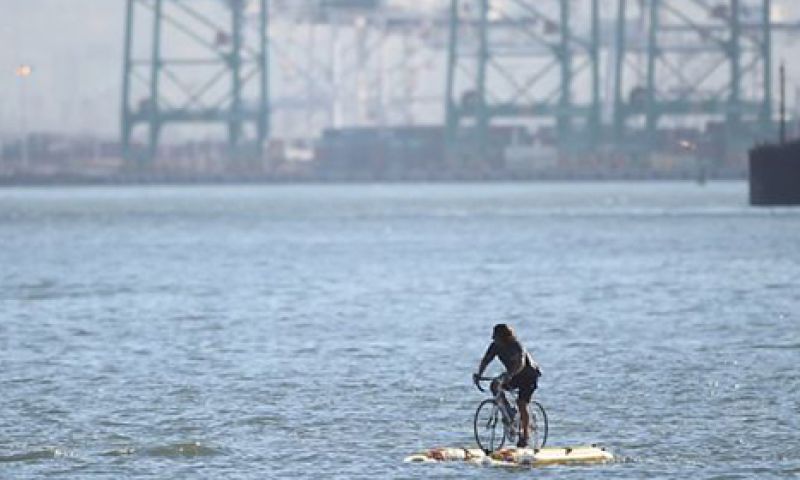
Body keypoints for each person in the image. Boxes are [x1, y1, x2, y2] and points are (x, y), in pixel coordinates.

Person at [473, 323, 541, 448]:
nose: (493, 338)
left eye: (496, 336)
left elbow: (520, 363)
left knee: (522, 403)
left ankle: (525, 436)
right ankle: (509, 412)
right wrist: (479, 374)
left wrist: (509, 376)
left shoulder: (516, 346)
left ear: (505, 337)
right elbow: (486, 360)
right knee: (495, 385)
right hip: (513, 375)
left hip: (529, 375)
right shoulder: (495, 347)